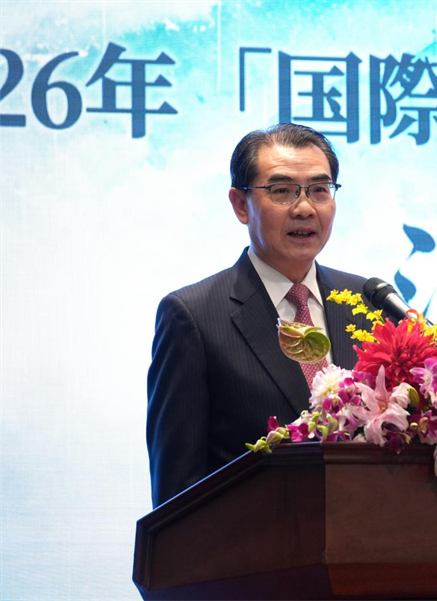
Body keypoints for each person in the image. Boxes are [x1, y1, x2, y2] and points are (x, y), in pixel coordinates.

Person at [146, 123, 371, 508]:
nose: (305, 208)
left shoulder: (368, 303)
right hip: (255, 542)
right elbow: (176, 496)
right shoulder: (193, 317)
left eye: (320, 190)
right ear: (240, 204)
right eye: (282, 191)